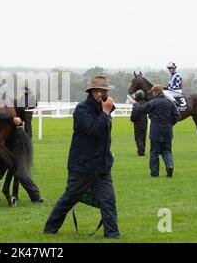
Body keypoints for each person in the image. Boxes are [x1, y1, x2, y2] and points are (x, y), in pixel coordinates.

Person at [43, 75, 120, 239]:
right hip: (82, 166)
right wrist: (106, 112)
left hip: (102, 166)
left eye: (107, 91)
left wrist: (106, 111)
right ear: (96, 92)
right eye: (104, 91)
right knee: (69, 199)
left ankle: (112, 234)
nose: (107, 94)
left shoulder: (103, 110)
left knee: (108, 201)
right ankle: (50, 229)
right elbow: (93, 130)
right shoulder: (82, 109)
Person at [140, 84, 180, 178]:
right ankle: (169, 165)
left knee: (154, 152)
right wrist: (170, 124)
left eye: (153, 92)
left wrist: (136, 104)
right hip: (167, 131)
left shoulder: (153, 102)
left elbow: (143, 110)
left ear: (155, 92)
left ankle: (154, 173)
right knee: (167, 151)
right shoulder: (170, 102)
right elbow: (177, 116)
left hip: (155, 131)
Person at [130, 90, 148, 156]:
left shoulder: (136, 104)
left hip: (138, 122)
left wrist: (132, 119)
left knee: (138, 137)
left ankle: (141, 151)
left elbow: (134, 113)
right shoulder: (146, 103)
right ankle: (143, 150)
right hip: (145, 121)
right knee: (143, 136)